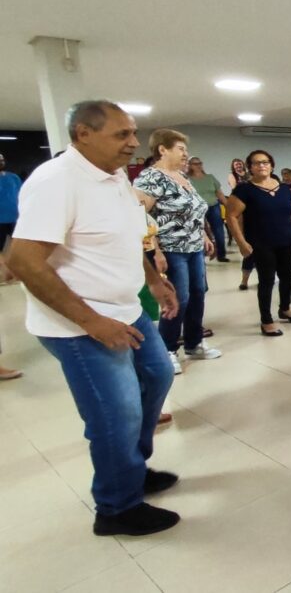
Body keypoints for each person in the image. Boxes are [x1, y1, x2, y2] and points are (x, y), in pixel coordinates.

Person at [7, 100, 181, 535]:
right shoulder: (56, 181)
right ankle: (117, 507)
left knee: (158, 375)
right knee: (115, 415)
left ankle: (132, 468)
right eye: (122, 134)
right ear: (83, 134)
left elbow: (125, 237)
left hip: (126, 310)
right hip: (79, 326)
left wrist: (152, 280)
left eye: (133, 132)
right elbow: (25, 262)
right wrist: (92, 323)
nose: (134, 142)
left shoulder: (115, 176)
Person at [134, 130, 221, 371]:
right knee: (178, 298)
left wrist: (204, 235)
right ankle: (167, 349)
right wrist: (157, 251)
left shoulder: (181, 177)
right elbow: (141, 218)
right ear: (162, 150)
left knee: (197, 294)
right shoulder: (150, 178)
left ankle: (194, 344)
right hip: (171, 248)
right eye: (181, 149)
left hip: (193, 247)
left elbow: (193, 211)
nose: (186, 154)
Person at [226, 150, 291, 336]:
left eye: (265, 162)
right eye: (256, 163)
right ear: (250, 167)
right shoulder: (244, 190)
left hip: (286, 240)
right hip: (261, 243)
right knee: (267, 280)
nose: (262, 166)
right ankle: (266, 319)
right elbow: (231, 216)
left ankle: (284, 308)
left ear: (272, 165)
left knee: (287, 277)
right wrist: (241, 242)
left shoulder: (284, 188)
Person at [187, 156, 229, 262]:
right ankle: (203, 253)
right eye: (195, 164)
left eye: (200, 163)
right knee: (199, 231)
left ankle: (221, 254)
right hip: (197, 209)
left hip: (213, 205)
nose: (198, 166)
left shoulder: (210, 177)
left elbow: (219, 193)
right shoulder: (187, 179)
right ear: (190, 166)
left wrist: (228, 206)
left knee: (218, 230)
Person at [0, 152, 21, 283]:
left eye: (2, 160)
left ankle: (16, 271)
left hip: (16, 218)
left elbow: (22, 194)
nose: (1, 162)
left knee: (17, 247)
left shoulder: (13, 177)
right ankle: (5, 272)